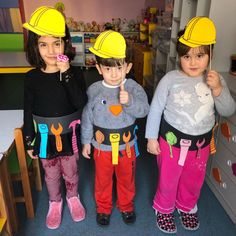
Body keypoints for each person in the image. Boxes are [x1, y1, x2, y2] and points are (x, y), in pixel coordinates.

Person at [145, 16, 236, 234]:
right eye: (187, 56)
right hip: (170, 143)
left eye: (200, 55)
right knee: (168, 178)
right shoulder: (170, 79)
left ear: (210, 55)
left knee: (193, 180)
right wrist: (150, 137)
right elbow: (156, 108)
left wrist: (217, 91)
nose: (193, 62)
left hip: (200, 147)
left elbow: (228, 110)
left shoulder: (215, 80)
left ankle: (186, 206)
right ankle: (164, 209)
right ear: (179, 57)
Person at [23, 6, 87, 229]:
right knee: (50, 174)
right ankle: (55, 202)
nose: (50, 50)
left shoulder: (75, 73)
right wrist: (29, 140)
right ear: (35, 46)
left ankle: (73, 197)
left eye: (56, 43)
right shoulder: (31, 78)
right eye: (43, 44)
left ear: (65, 44)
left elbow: (80, 103)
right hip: (44, 138)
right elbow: (27, 110)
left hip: (69, 136)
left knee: (71, 171)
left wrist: (66, 73)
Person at [81, 30, 149, 226]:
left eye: (118, 68)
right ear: (99, 68)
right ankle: (103, 208)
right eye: (108, 68)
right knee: (102, 180)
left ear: (127, 67)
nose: (114, 74)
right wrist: (86, 141)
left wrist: (130, 102)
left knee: (127, 178)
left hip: (126, 147)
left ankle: (126, 205)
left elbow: (144, 110)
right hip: (102, 147)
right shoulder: (94, 90)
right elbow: (87, 117)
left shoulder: (134, 88)